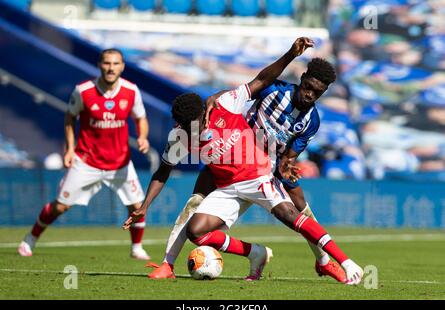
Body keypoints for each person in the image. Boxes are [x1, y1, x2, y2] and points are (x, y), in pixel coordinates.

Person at [124, 38, 364, 284]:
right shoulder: (272, 92)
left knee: (301, 209)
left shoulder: (311, 121)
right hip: (230, 160)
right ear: (301, 79)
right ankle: (167, 264)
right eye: (308, 87)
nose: (310, 94)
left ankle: (324, 262)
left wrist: (287, 164)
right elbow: (260, 81)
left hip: (266, 164)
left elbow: (291, 154)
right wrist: (217, 95)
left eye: (317, 91)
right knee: (193, 205)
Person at [18, 48, 151, 260]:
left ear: (122, 67)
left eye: (115, 64)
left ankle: (136, 248)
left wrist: (143, 136)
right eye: (107, 63)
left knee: (137, 206)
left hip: (120, 162)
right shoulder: (83, 91)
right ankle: (30, 238)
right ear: (99, 65)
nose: (111, 68)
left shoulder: (131, 91)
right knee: (60, 207)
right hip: (87, 161)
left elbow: (141, 118)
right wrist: (69, 148)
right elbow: (70, 118)